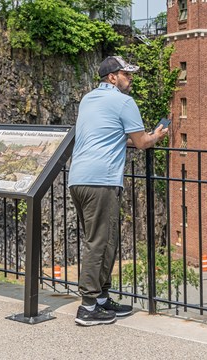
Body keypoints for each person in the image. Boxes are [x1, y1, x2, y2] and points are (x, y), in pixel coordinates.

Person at [68, 56, 168, 326]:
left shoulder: (88, 99)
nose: (131, 78)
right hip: (102, 180)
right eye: (127, 74)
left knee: (104, 239)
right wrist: (156, 135)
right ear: (112, 77)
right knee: (98, 242)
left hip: (78, 178)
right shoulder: (124, 101)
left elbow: (107, 133)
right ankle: (88, 306)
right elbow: (142, 142)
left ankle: (101, 299)